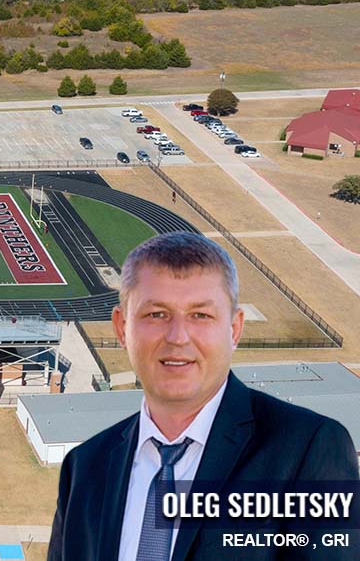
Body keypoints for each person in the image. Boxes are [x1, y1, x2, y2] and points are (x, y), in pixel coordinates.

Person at [48, 232, 357, 560]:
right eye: (157, 314)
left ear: (234, 329)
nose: (178, 337)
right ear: (122, 327)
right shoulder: (84, 469)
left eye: (201, 315)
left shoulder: (307, 451)